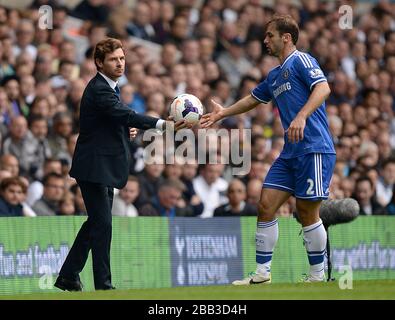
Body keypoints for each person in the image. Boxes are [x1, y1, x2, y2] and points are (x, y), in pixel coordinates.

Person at [201, 15, 336, 283]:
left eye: (270, 35)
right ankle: (262, 273)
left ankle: (317, 275)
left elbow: (323, 87)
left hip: (314, 147)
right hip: (290, 152)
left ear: (286, 38)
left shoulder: (303, 60)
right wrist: (222, 113)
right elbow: (253, 99)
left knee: (306, 211)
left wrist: (301, 116)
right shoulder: (275, 75)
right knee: (265, 204)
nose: (265, 40)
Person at [54, 38, 187, 292]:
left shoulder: (110, 87)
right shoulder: (99, 89)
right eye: (114, 59)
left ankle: (69, 275)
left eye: (122, 58)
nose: (120, 63)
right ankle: (103, 285)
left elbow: (110, 120)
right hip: (93, 167)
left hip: (101, 166)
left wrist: (125, 130)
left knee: (96, 222)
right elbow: (123, 113)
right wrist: (162, 124)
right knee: (102, 224)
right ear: (98, 63)